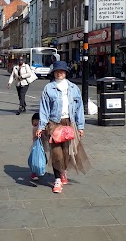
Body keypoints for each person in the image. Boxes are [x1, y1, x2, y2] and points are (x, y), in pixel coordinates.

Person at [36, 61, 90, 194]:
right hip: (54, 123)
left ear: (66, 72)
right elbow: (44, 109)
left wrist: (80, 126)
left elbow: (79, 109)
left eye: (62, 70)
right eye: (57, 70)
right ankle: (57, 180)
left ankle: (63, 172)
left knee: (67, 152)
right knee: (56, 152)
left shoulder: (73, 88)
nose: (59, 72)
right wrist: (41, 126)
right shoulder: (49, 88)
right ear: (53, 72)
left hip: (69, 123)